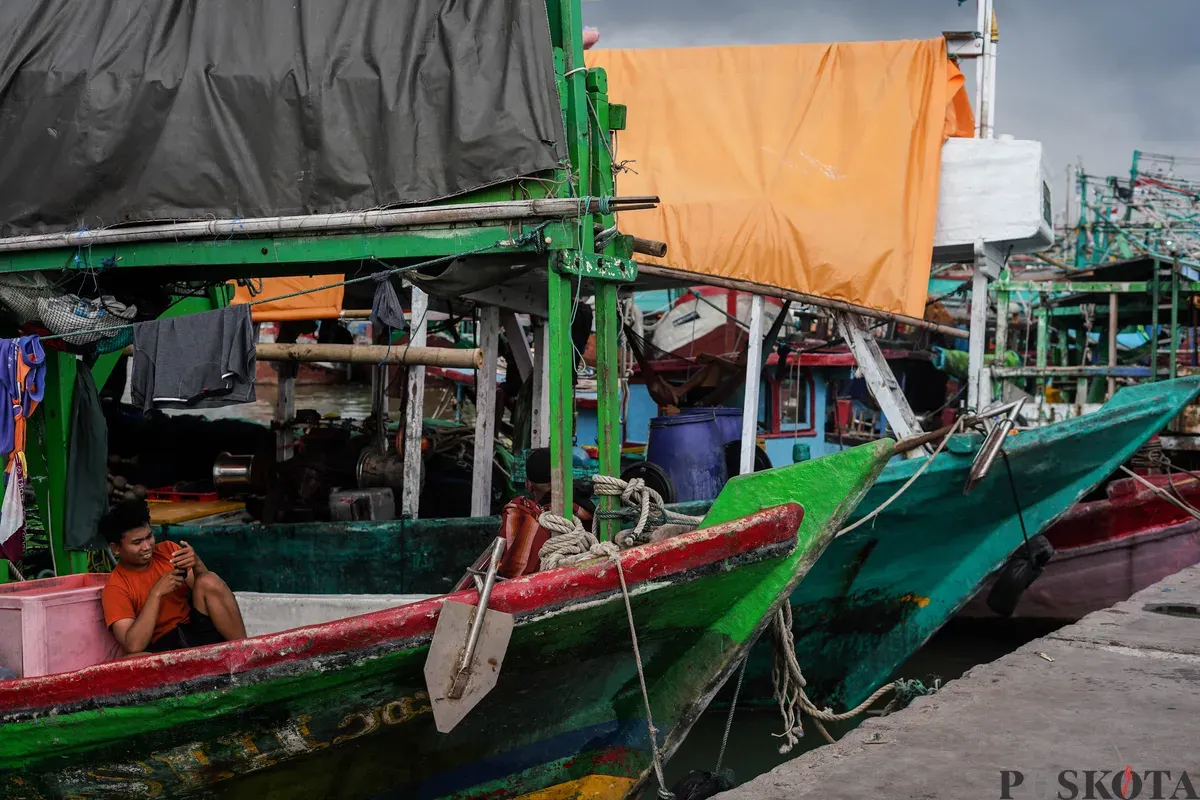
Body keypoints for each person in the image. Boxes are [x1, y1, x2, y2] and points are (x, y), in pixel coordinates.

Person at [99, 500, 246, 655]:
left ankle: (245, 654)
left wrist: (196, 562)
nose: (147, 546)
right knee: (132, 658)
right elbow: (133, 646)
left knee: (208, 579)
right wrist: (156, 594)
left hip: (194, 632)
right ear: (115, 548)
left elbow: (208, 590)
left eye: (149, 536)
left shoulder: (169, 550)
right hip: (162, 650)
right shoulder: (115, 588)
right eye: (137, 542)